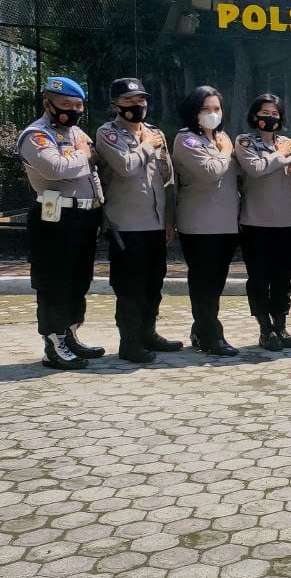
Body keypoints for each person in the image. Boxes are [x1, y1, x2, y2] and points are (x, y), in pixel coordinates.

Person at [16, 76, 104, 370]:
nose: (73, 110)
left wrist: (100, 206)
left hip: (84, 216)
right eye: (66, 104)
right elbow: (54, 169)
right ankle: (54, 344)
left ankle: (70, 333)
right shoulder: (36, 136)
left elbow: (91, 173)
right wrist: (82, 153)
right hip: (54, 218)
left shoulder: (76, 132)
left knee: (78, 280)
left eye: (78, 105)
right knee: (54, 281)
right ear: (48, 104)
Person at [95, 77, 182, 364]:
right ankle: (129, 341)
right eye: (129, 101)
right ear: (116, 105)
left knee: (153, 284)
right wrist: (145, 145)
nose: (137, 105)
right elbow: (126, 166)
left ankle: (148, 333)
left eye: (141, 100)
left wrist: (169, 219)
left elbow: (167, 178)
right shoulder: (108, 133)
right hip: (126, 225)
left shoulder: (155, 133)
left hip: (155, 223)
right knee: (129, 287)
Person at [234, 94, 291, 352]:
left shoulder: (289, 143)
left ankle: (280, 325)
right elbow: (255, 168)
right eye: (265, 113)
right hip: (256, 222)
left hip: (287, 222)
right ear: (255, 115)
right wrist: (279, 155)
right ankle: (264, 328)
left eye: (275, 113)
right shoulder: (244, 141)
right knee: (259, 277)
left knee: (283, 277)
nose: (270, 117)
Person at [172, 86, 240, 357]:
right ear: (193, 112)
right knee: (205, 282)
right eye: (205, 109)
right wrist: (225, 151)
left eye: (216, 109)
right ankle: (212, 336)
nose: (212, 114)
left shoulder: (222, 137)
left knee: (217, 281)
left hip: (226, 222)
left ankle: (201, 329)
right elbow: (210, 172)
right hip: (200, 224)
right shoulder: (186, 139)